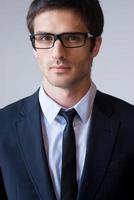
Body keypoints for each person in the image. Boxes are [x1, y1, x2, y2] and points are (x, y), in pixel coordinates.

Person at [0, 0, 134, 199]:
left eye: (72, 38)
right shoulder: (3, 126)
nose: (57, 53)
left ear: (95, 45)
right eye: (45, 38)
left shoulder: (131, 124)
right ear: (34, 47)